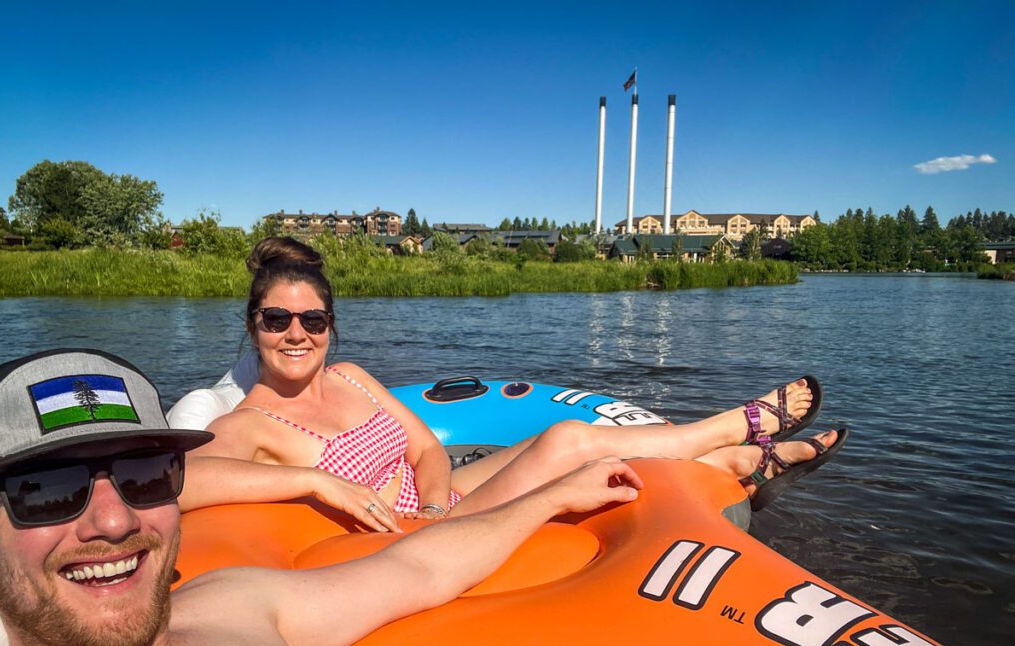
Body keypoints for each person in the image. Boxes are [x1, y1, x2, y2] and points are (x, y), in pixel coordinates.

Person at [0, 349, 1008, 646]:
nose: (114, 520)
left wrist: (558, 497)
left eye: (145, 476)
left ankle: (738, 451)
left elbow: (419, 572)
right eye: (46, 489)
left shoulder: (227, 609)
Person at [180, 236, 848, 530]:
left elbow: (428, 450)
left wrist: (437, 502)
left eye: (313, 319)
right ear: (252, 323)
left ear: (331, 324)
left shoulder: (352, 378)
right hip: (403, 542)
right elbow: (178, 485)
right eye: (277, 319)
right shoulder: (243, 425)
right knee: (566, 450)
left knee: (566, 436)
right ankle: (731, 431)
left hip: (438, 507)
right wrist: (317, 480)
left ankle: (730, 458)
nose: (296, 334)